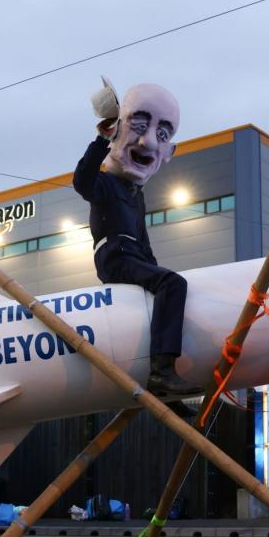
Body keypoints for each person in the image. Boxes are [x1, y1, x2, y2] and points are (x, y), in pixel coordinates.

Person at [73, 78, 202, 398]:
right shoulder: (104, 184)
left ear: (168, 151)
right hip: (114, 255)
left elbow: (145, 245)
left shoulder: (136, 196)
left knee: (166, 285)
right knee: (173, 284)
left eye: (162, 134)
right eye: (139, 124)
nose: (147, 143)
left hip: (132, 256)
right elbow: (82, 181)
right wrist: (100, 140)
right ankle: (161, 370)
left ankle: (163, 385)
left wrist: (157, 273)